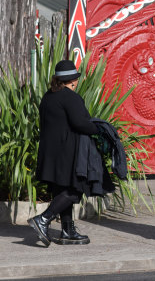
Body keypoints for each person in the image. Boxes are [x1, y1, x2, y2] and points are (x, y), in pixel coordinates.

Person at [28, 60, 100, 246]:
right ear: (74, 81)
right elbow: (80, 123)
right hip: (68, 152)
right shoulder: (70, 97)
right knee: (75, 189)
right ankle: (43, 219)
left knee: (62, 190)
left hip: (50, 152)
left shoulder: (48, 96)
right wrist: (99, 129)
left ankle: (67, 231)